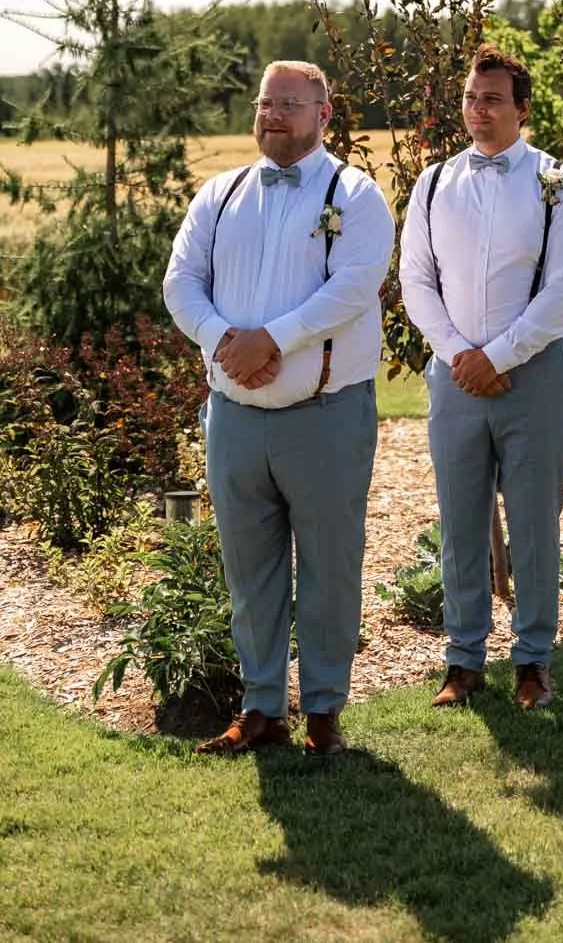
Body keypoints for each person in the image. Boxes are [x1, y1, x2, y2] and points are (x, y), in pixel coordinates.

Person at [163, 60, 394, 755]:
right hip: (232, 418)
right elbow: (181, 281)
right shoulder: (220, 193)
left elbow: (356, 285)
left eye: (289, 105)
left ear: (324, 116)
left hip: (324, 415)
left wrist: (274, 339)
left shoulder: (355, 196)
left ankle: (323, 711)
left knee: (329, 565)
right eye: (266, 103)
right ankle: (261, 707)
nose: (272, 115)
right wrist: (222, 340)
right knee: (249, 570)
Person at [399, 45, 563, 710]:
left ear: (521, 109)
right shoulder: (430, 185)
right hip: (455, 378)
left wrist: (499, 357)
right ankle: (463, 660)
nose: (478, 112)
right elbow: (415, 281)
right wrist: (459, 354)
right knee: (460, 523)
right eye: (470, 99)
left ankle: (534, 659)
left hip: (532, 377)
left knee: (535, 523)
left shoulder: (558, 183)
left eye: (492, 100)